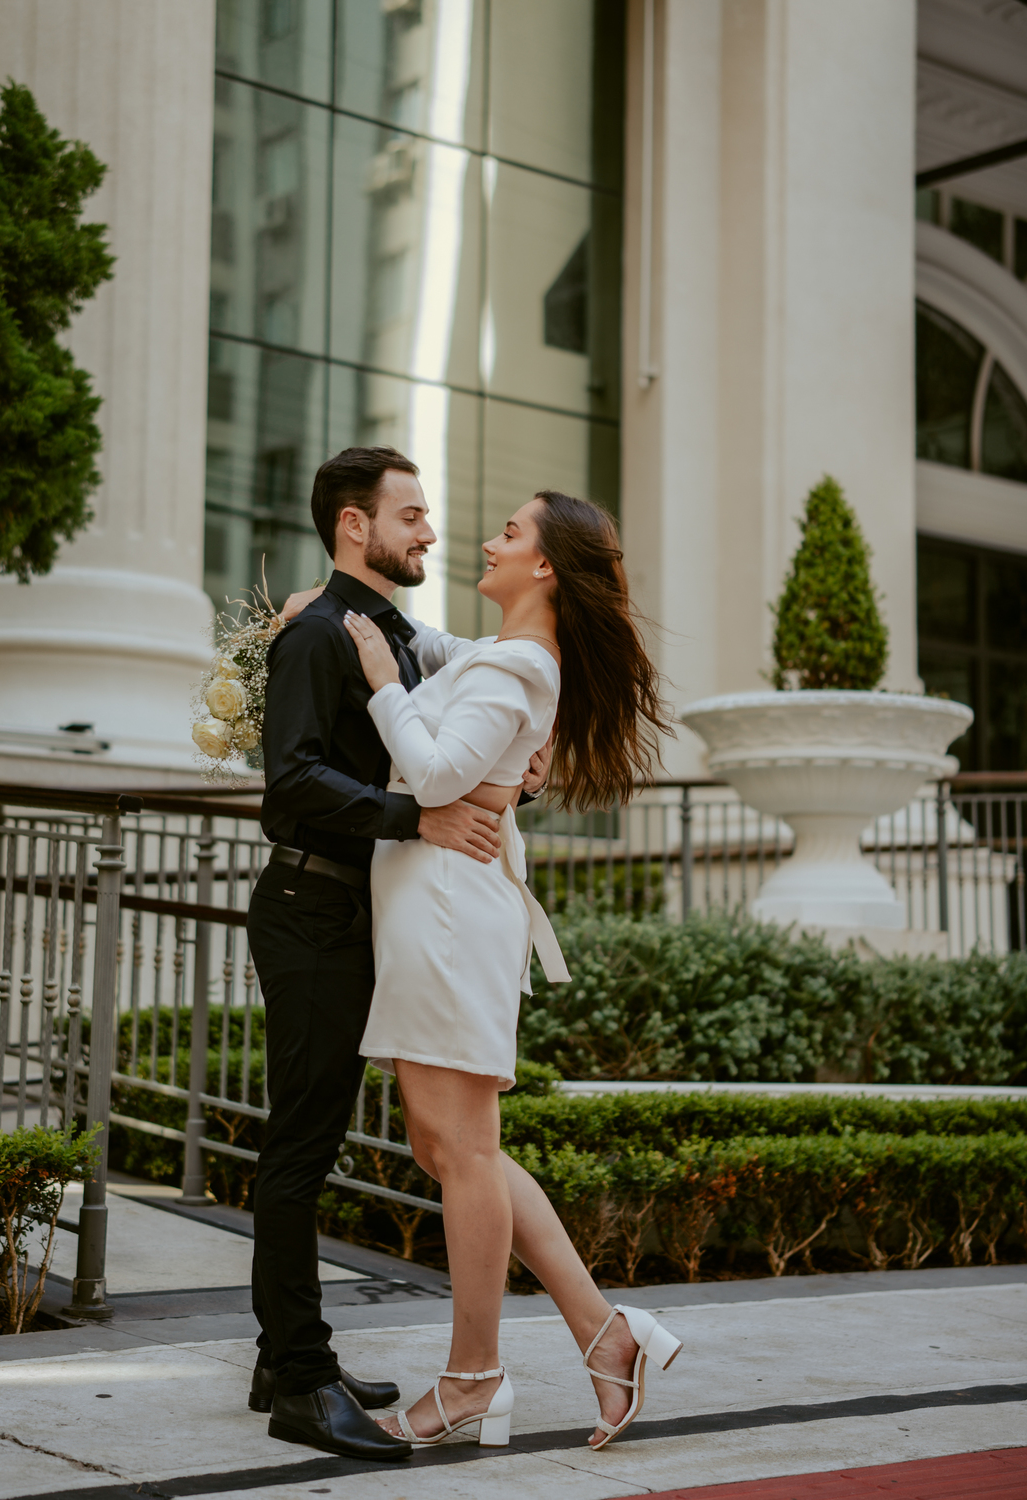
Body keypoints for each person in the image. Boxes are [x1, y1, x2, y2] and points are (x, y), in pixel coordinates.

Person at [339, 488, 682, 1452]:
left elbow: (437, 776)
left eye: (510, 531)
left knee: (462, 1153)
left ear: (545, 566)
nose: (488, 542)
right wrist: (347, 614)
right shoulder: (507, 656)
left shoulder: (524, 664)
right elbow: (446, 653)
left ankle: (473, 1378)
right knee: (453, 1150)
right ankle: (606, 1334)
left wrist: (381, 682)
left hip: (450, 917)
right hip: (439, 911)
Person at [246, 446, 549, 1462]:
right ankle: (300, 1382)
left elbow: (470, 724)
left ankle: (283, 1355)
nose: (430, 531)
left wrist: (525, 767)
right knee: (300, 1146)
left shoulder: (399, 636)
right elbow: (289, 785)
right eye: (410, 515)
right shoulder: (316, 636)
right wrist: (414, 819)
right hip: (308, 908)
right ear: (353, 524)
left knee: (316, 1138)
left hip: (354, 914)